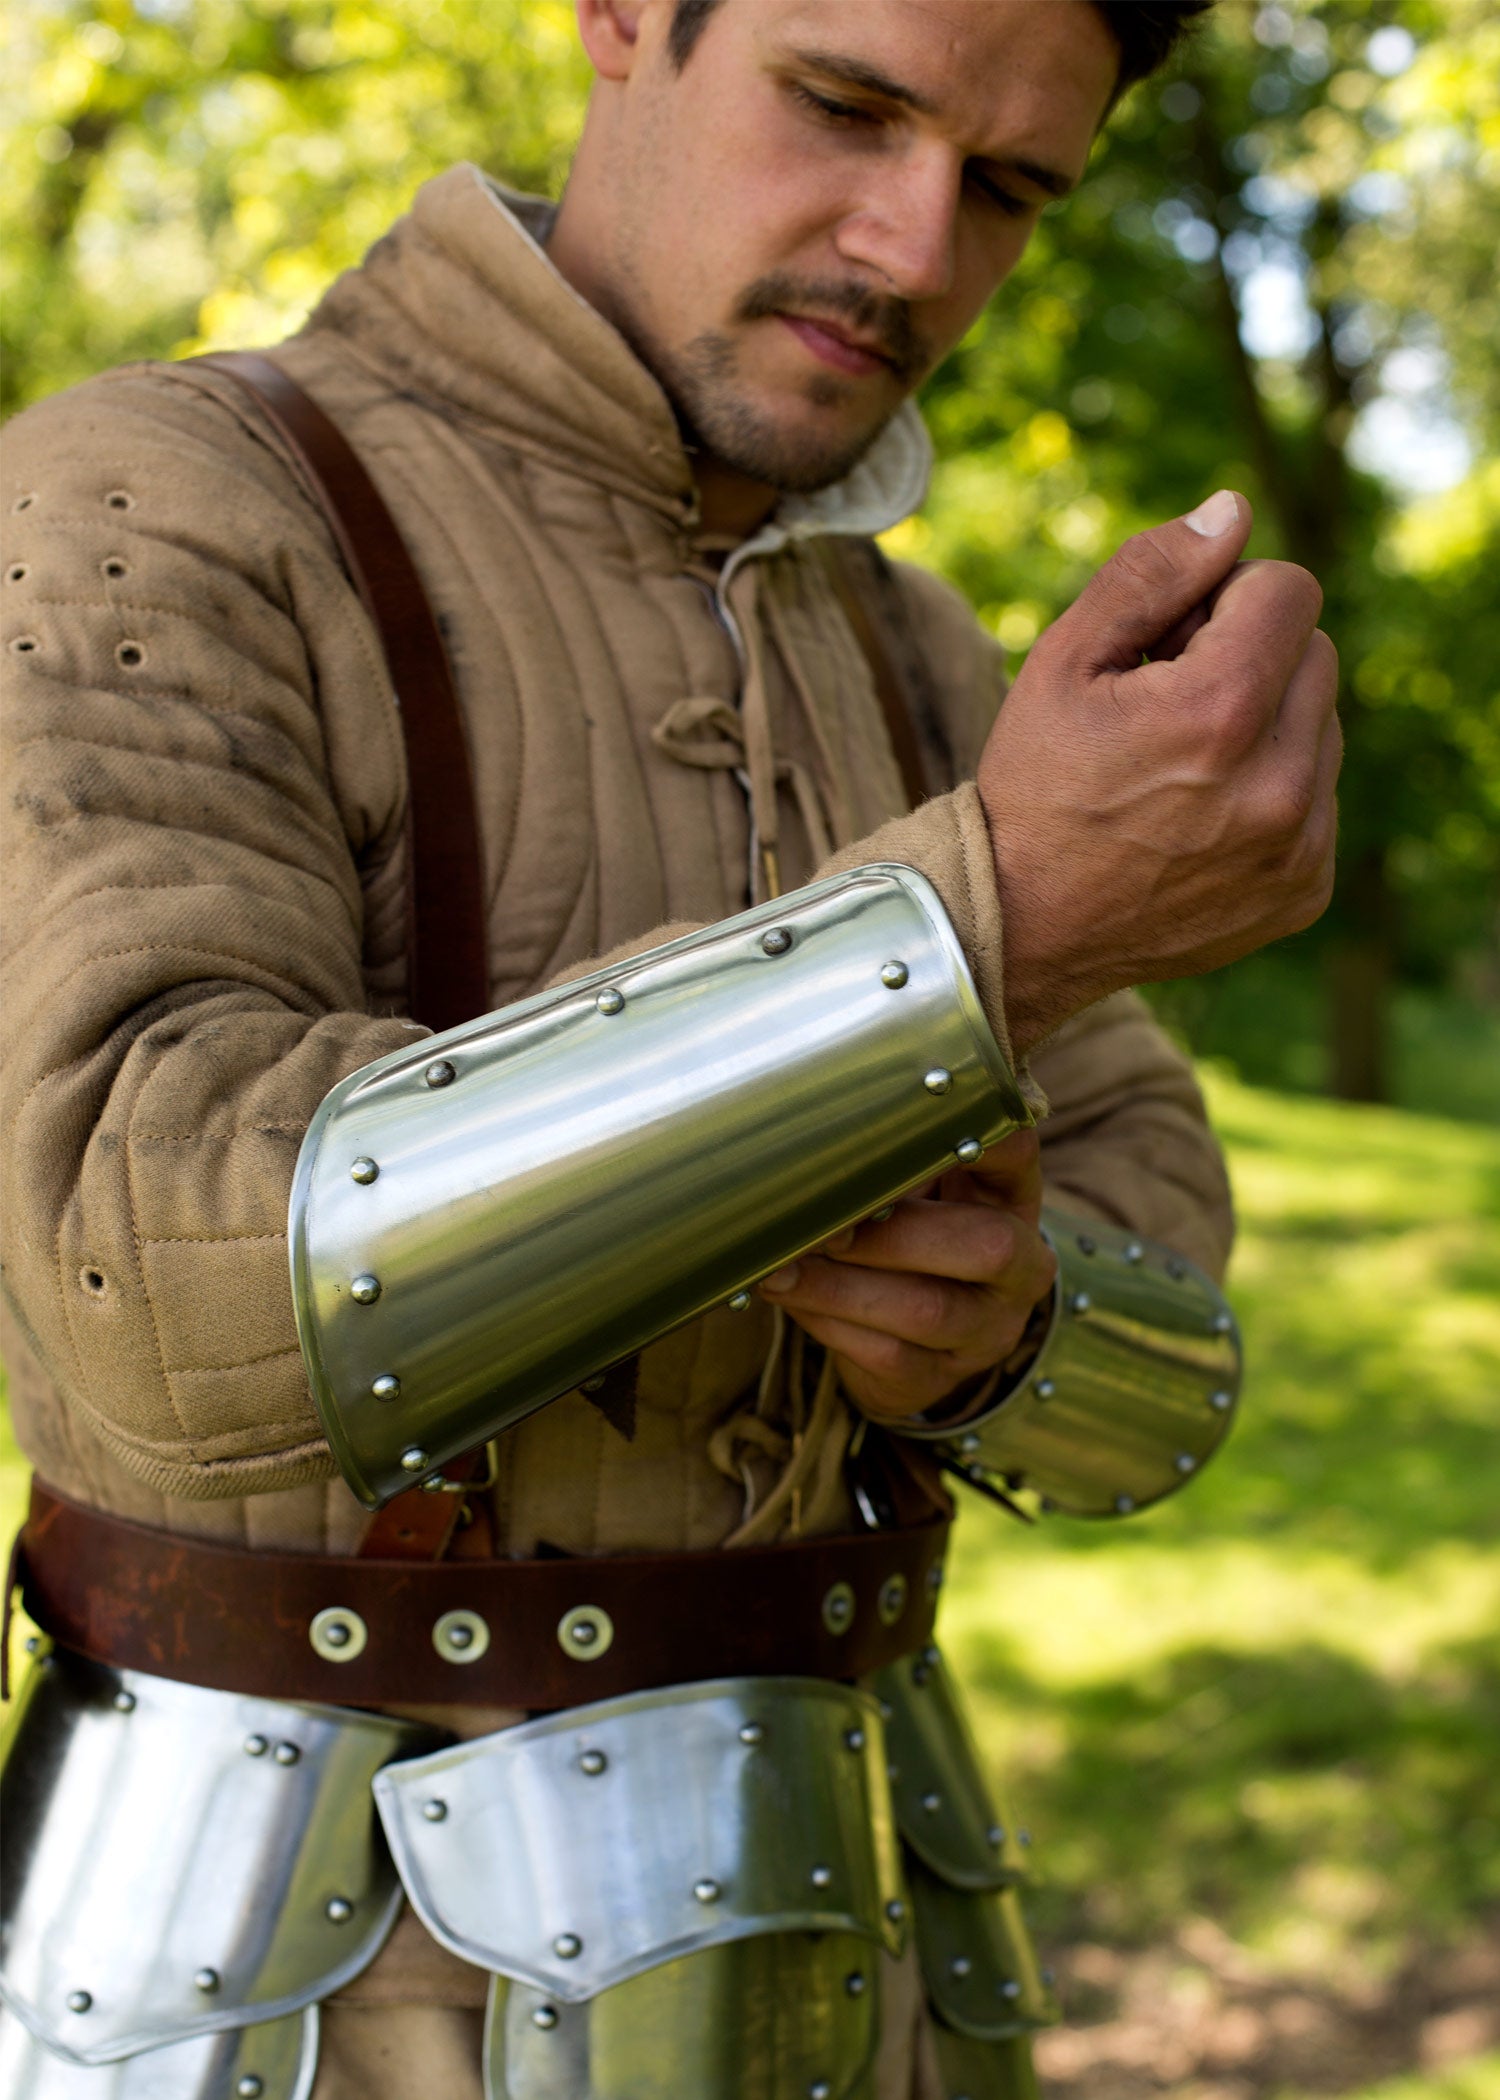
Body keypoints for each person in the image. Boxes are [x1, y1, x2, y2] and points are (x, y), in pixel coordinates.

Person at [0, 2, 1339, 2095]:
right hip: (294, 1998)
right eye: (846, 105)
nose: (911, 253)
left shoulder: (914, 653)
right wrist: (993, 919)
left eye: (1005, 187)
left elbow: (1160, 1287)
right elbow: (134, 1269)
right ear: (624, 16)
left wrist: (1005, 1327)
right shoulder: (143, 499)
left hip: (864, 1974)